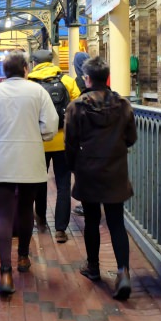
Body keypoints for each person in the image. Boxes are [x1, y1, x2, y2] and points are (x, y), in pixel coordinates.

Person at [0, 51, 59, 295]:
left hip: (2, 161)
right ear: (25, 69)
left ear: (4, 72)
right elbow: (50, 125)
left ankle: (5, 274)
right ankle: (23, 258)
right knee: (25, 210)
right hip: (31, 161)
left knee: (4, 216)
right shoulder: (38, 92)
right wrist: (39, 137)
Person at [65, 56, 137, 300]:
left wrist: (74, 167)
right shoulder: (123, 105)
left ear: (87, 78)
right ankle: (123, 272)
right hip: (115, 171)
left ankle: (93, 267)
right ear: (107, 77)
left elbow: (71, 143)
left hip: (88, 172)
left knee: (92, 221)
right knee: (116, 222)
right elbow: (131, 138)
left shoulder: (77, 106)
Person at [27, 49, 80, 242]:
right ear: (51, 61)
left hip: (38, 142)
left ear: (34, 63)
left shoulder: (29, 84)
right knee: (63, 185)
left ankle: (41, 221)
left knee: (39, 183)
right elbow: (77, 106)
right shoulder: (66, 81)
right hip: (63, 142)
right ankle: (60, 230)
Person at [71, 51, 91, 217]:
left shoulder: (77, 82)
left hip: (83, 137)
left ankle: (87, 205)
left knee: (82, 173)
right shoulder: (109, 93)